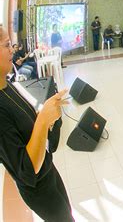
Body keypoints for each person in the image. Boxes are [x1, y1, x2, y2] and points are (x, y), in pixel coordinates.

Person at [0, 25, 73, 221]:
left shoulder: (7, 85)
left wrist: (46, 116)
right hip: (38, 188)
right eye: (7, 45)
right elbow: (26, 170)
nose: (12, 50)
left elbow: (26, 127)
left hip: (48, 172)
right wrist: (42, 120)